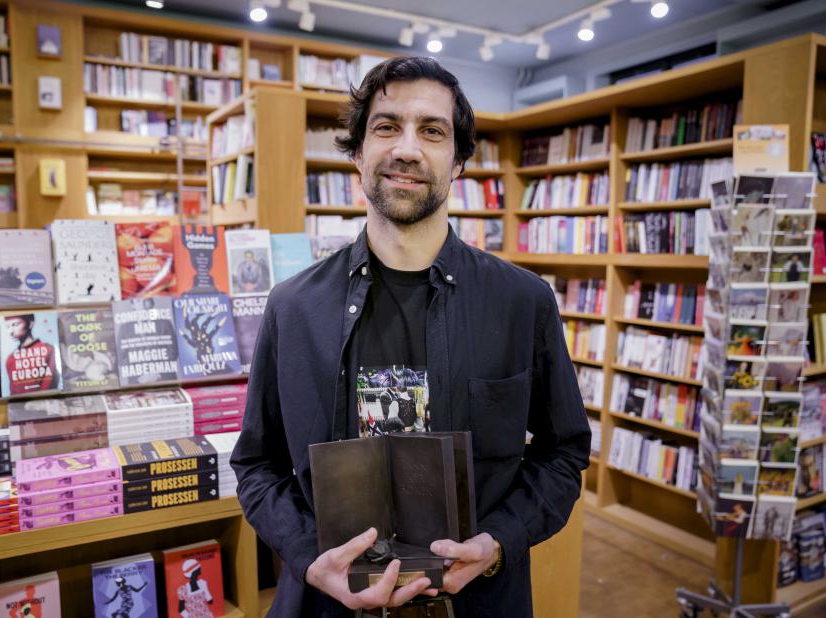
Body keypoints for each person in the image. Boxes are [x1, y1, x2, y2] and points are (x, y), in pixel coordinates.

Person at [230, 56, 590, 617]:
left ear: (459, 161)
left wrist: (498, 542)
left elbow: (563, 453)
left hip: (478, 604)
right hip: (326, 607)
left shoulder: (523, 302)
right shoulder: (292, 308)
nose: (407, 148)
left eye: (432, 131)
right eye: (386, 126)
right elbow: (257, 465)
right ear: (357, 152)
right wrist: (308, 557)